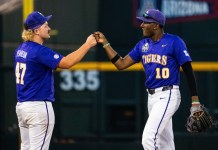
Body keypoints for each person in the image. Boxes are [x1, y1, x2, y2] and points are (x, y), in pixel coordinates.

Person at [94, 9, 201, 150]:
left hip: (168, 95)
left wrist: (195, 100)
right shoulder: (142, 45)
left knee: (149, 138)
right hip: (152, 98)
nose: (142, 25)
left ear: (156, 25)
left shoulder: (174, 42)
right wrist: (106, 44)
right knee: (165, 142)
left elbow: (188, 71)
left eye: (145, 22)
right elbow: (121, 64)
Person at [14, 11, 97, 150]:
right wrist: (87, 45)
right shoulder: (39, 51)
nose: (49, 28)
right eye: (45, 25)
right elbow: (67, 63)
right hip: (38, 107)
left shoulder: (20, 49)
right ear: (36, 30)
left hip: (23, 107)